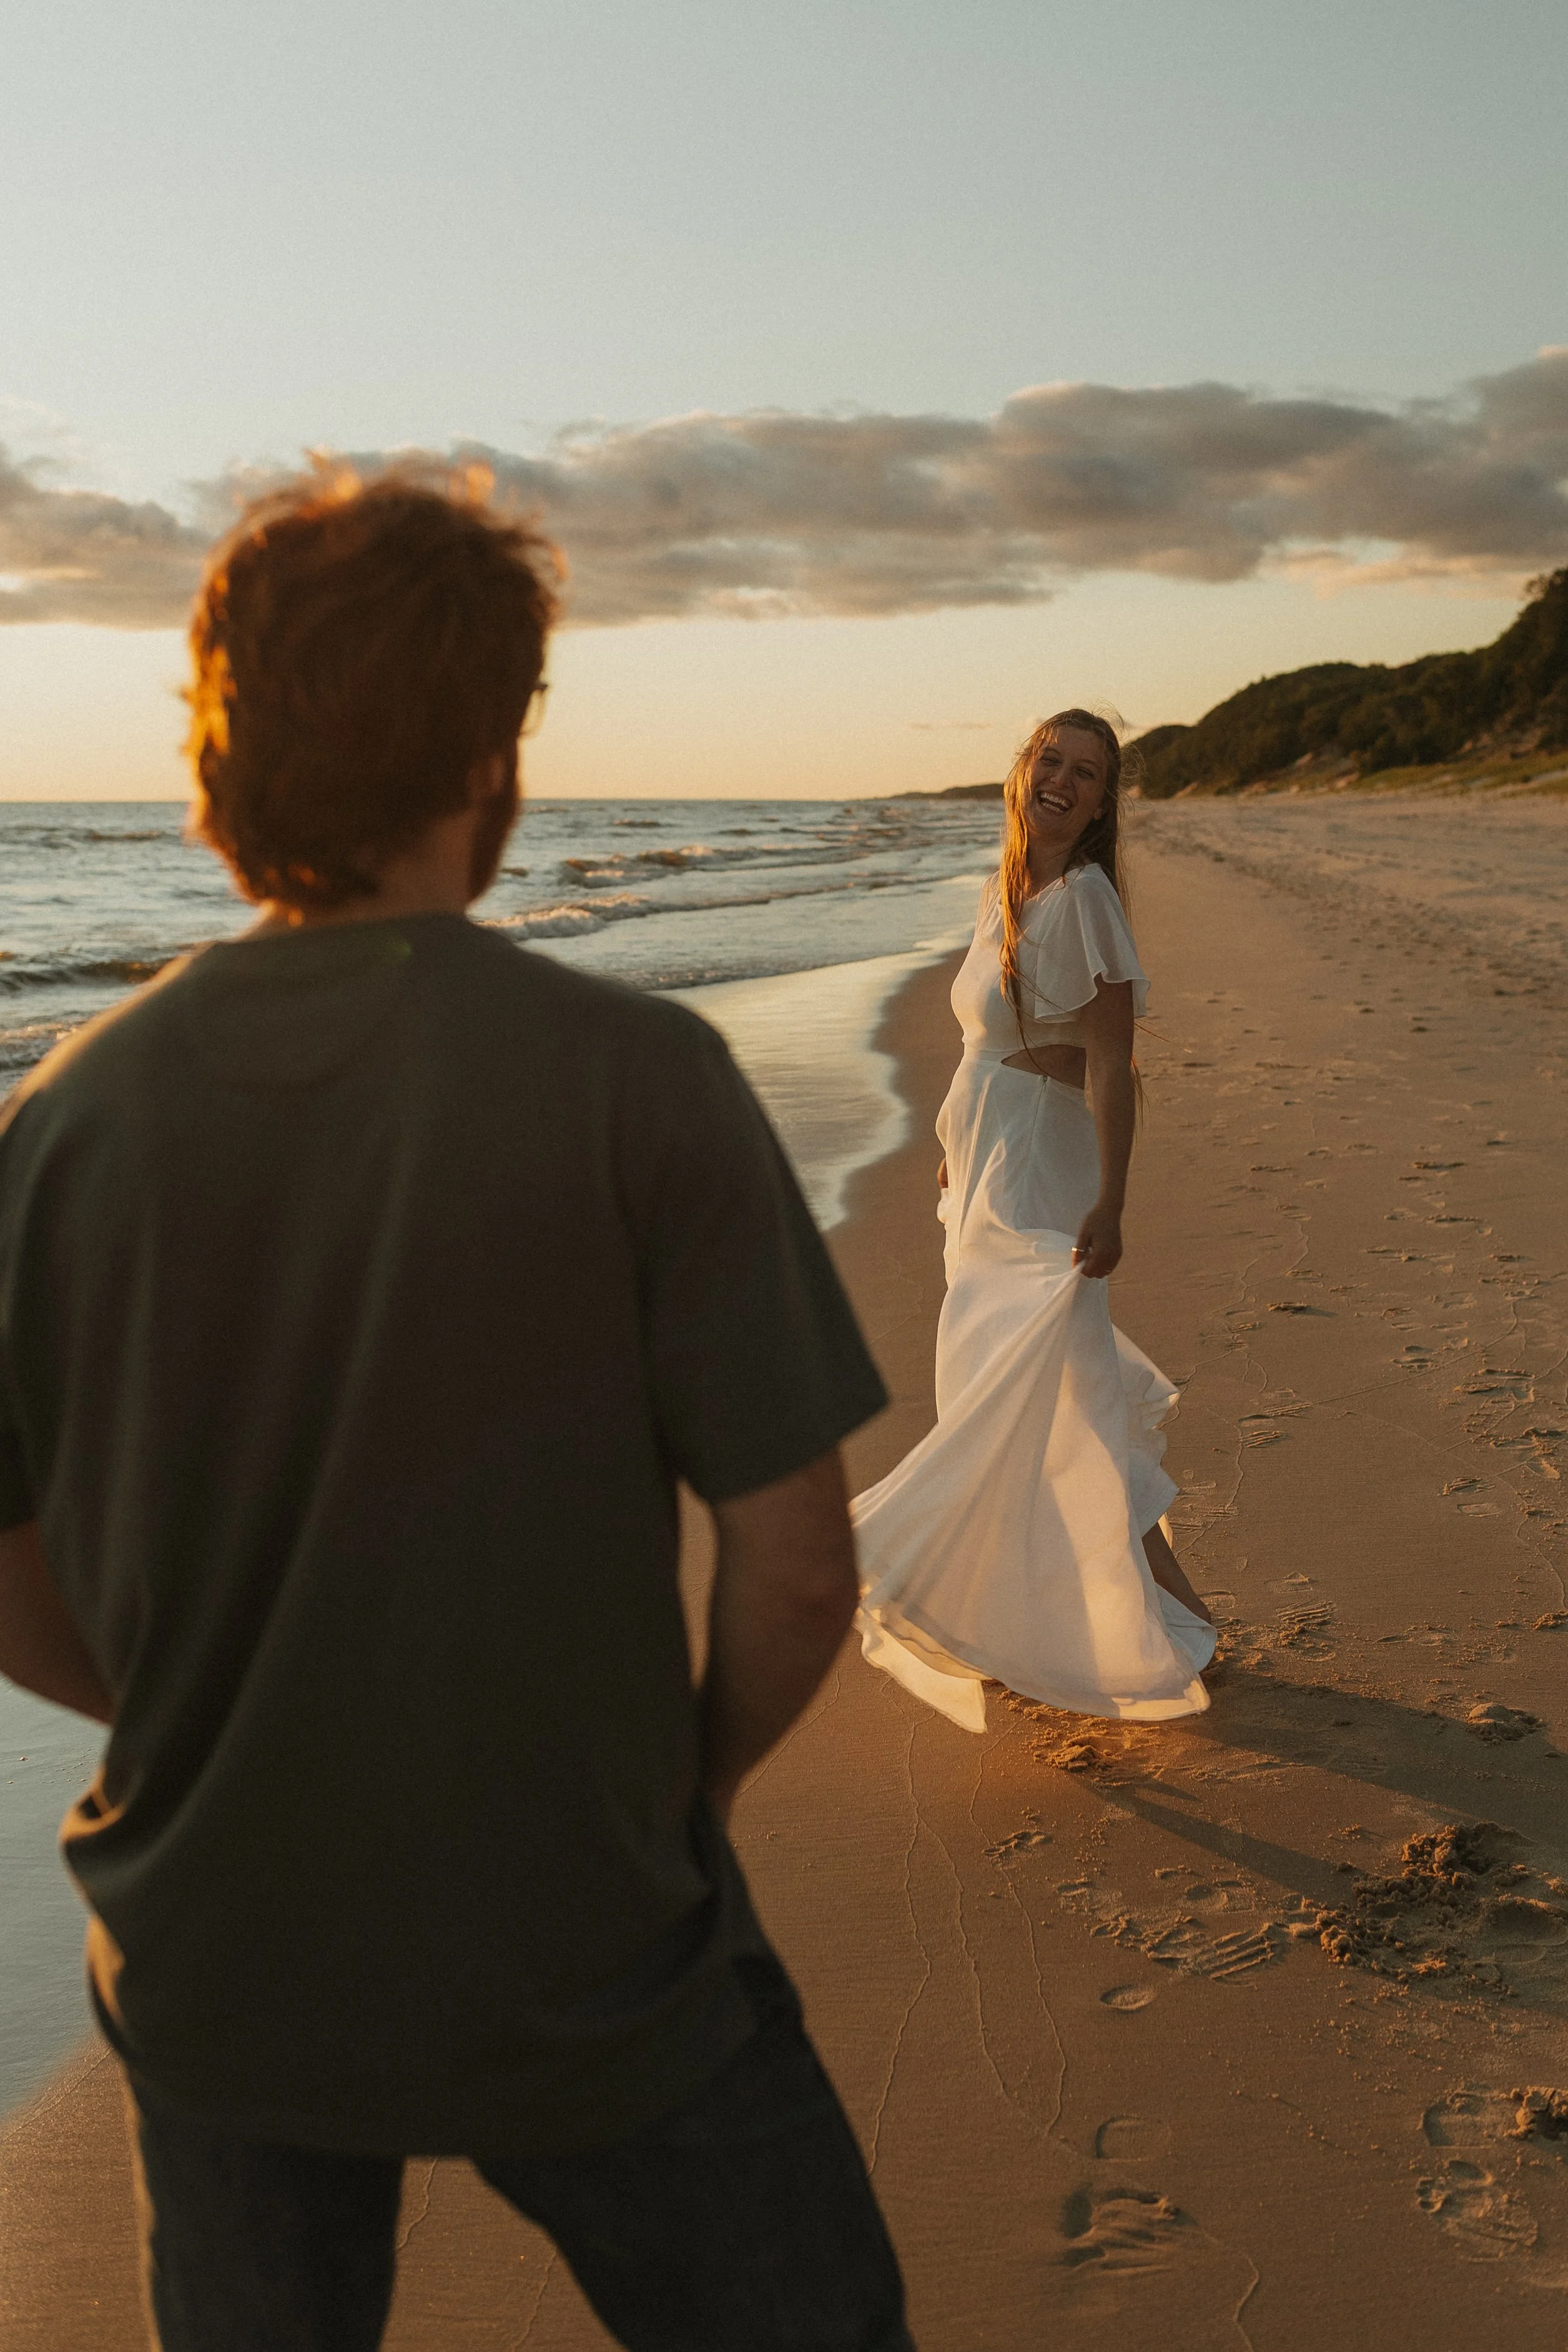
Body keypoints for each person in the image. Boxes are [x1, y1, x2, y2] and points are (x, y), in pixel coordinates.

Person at [0, 467, 914, 2352]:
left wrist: (210, 1707)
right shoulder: (637, 1078)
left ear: (211, 750)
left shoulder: (61, 1118)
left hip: (217, 1945)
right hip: (591, 1932)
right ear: (494, 753)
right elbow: (800, 1564)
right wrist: (695, 1786)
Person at [851, 709, 1216, 1732]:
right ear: (1023, 771)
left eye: (1086, 773)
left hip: (1041, 1189)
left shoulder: (1087, 900)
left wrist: (1112, 1200)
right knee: (1041, 1400)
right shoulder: (1008, 888)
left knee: (1036, 1400)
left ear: (1103, 804)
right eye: (1050, 760)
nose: (1061, 779)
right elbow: (999, 1045)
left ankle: (1143, 1626)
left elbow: (1110, 1065)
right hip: (981, 1180)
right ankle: (1159, 1621)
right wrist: (955, 1147)